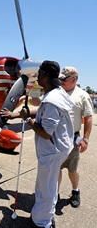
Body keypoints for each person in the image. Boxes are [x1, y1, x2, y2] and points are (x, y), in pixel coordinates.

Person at [1, 60, 74, 228]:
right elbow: (42, 109)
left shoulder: (52, 100)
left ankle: (43, 223)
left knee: (45, 190)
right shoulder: (58, 92)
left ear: (46, 76)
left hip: (52, 151)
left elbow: (46, 133)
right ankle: (45, 215)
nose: (37, 76)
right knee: (48, 186)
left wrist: (26, 118)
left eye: (39, 73)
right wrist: (16, 115)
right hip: (60, 149)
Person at [57, 67, 93, 209]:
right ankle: (56, 194)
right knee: (56, 169)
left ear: (74, 79)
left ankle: (75, 191)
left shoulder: (82, 95)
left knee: (72, 170)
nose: (61, 81)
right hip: (57, 138)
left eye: (64, 79)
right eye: (60, 79)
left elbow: (88, 118)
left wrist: (85, 139)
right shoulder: (57, 92)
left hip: (73, 139)